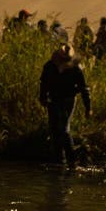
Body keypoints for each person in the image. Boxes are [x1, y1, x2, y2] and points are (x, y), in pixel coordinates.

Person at [39, 34, 91, 167]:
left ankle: (72, 161)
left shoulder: (76, 69)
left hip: (68, 100)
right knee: (54, 129)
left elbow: (84, 88)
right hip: (53, 100)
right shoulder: (49, 66)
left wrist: (88, 107)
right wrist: (43, 97)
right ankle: (59, 160)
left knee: (64, 129)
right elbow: (43, 83)